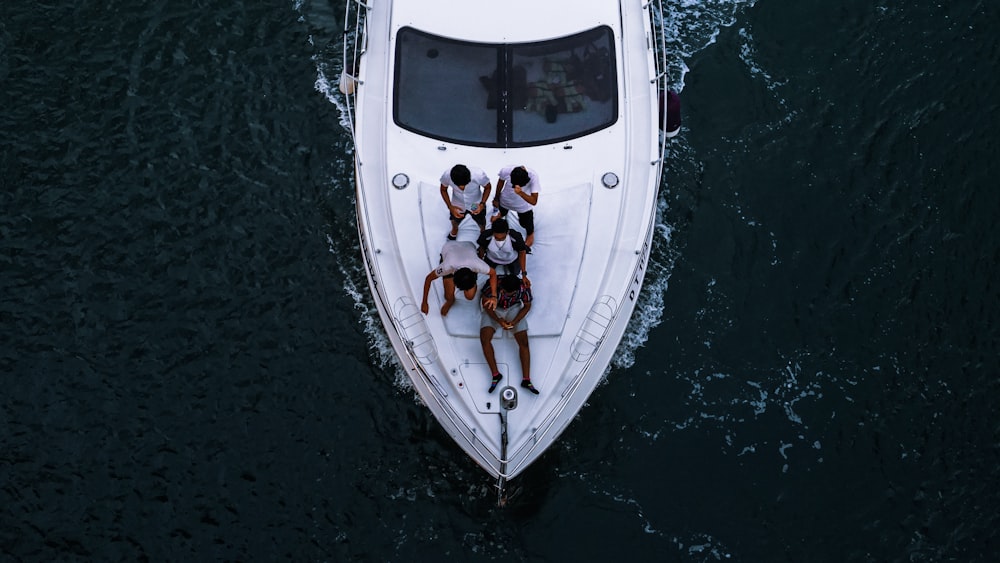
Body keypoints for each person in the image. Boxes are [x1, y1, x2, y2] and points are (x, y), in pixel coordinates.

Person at [479, 275, 538, 395]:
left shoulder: (524, 287)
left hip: (513, 308)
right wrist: (499, 321)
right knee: (484, 339)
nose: (507, 294)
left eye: (510, 294)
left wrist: (515, 322)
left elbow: (527, 306)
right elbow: (485, 303)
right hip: (493, 308)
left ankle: (526, 380)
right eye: (505, 292)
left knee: (524, 343)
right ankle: (496, 374)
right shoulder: (492, 286)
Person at [421, 241, 497, 316]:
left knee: (470, 296)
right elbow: (429, 278)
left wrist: (494, 296)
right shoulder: (447, 267)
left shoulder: (478, 265)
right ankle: (450, 301)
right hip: (449, 247)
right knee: (448, 297)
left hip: (468, 246)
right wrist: (424, 302)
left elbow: (493, 273)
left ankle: (479, 254)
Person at [440, 164, 492, 240]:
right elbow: (443, 189)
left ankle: (482, 230)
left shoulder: (479, 175)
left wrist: (482, 204)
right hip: (458, 204)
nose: (462, 188)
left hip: (475, 203)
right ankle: (455, 229)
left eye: (465, 184)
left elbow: (488, 187)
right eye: (459, 185)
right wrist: (450, 206)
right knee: (455, 219)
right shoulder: (447, 175)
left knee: (480, 219)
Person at [492, 165, 540, 247]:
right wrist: (496, 198)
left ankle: (530, 234)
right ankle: (502, 214)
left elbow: (534, 201)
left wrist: (520, 193)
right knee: (502, 212)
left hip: (523, 206)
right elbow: (500, 182)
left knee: (525, 223)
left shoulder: (533, 177)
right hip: (505, 200)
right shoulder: (506, 170)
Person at [476, 218, 529, 284]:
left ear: (507, 232)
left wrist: (524, 274)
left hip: (512, 259)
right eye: (496, 238)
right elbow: (482, 248)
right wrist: (479, 262)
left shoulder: (516, 237)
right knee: (486, 272)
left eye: (503, 238)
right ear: (493, 232)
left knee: (516, 273)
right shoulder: (485, 236)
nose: (499, 240)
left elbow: (522, 252)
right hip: (492, 258)